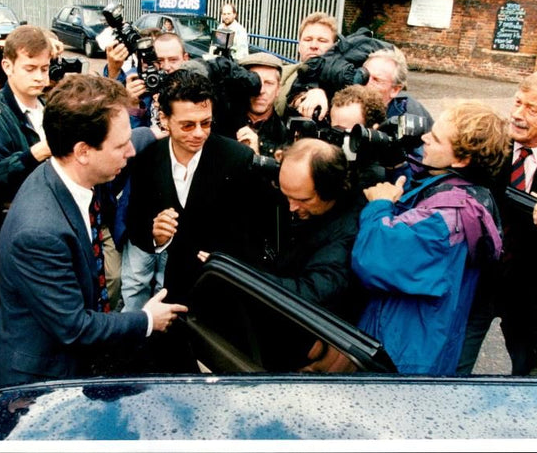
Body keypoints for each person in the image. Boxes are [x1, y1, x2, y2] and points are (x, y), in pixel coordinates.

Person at [0, 74, 187, 387]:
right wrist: (147, 319)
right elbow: (75, 327)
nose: (130, 151)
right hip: (39, 384)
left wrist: (152, 133)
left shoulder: (74, 175)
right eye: (120, 145)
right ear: (82, 151)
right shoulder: (39, 233)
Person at [347, 100, 508, 375]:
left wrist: (379, 205)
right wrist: (399, 167)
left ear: (461, 160)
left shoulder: (447, 219)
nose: (424, 138)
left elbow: (374, 259)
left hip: (404, 354)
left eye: (436, 138)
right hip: (415, 341)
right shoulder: (459, 189)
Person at [124, 69, 272, 308]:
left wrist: (226, 259)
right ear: (164, 119)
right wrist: (155, 236)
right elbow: (135, 224)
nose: (199, 133)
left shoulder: (237, 158)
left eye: (206, 123)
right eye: (187, 125)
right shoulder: (148, 159)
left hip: (224, 291)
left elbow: (257, 230)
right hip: (175, 290)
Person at [458, 70, 537, 375]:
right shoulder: (490, 140)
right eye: (518, 102)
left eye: (532, 109)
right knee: (456, 363)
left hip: (529, 286)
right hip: (480, 274)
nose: (517, 114)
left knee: (526, 369)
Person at [248, 138, 367, 324]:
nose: (292, 207)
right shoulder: (310, 203)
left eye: (303, 200)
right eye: (287, 195)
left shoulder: (349, 234)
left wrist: (240, 276)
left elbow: (311, 293)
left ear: (330, 190)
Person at [0, 25, 53, 269]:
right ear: (7, 66)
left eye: (44, 68)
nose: (39, 77)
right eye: (30, 68)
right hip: (12, 231)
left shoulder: (48, 107)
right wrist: (38, 152)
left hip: (47, 221)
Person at [276, 12, 338, 118]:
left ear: (334, 46)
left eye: (322, 41)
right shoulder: (281, 75)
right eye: (308, 40)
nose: (313, 46)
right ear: (299, 46)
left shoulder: (345, 79)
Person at [233, 52, 290, 159]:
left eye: (268, 83)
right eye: (254, 81)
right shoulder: (223, 122)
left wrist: (256, 157)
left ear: (278, 89)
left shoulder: (286, 135)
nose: (261, 90)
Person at [362, 47, 434, 125]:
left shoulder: (406, 120)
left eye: (377, 80)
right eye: (364, 76)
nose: (366, 82)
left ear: (395, 90)